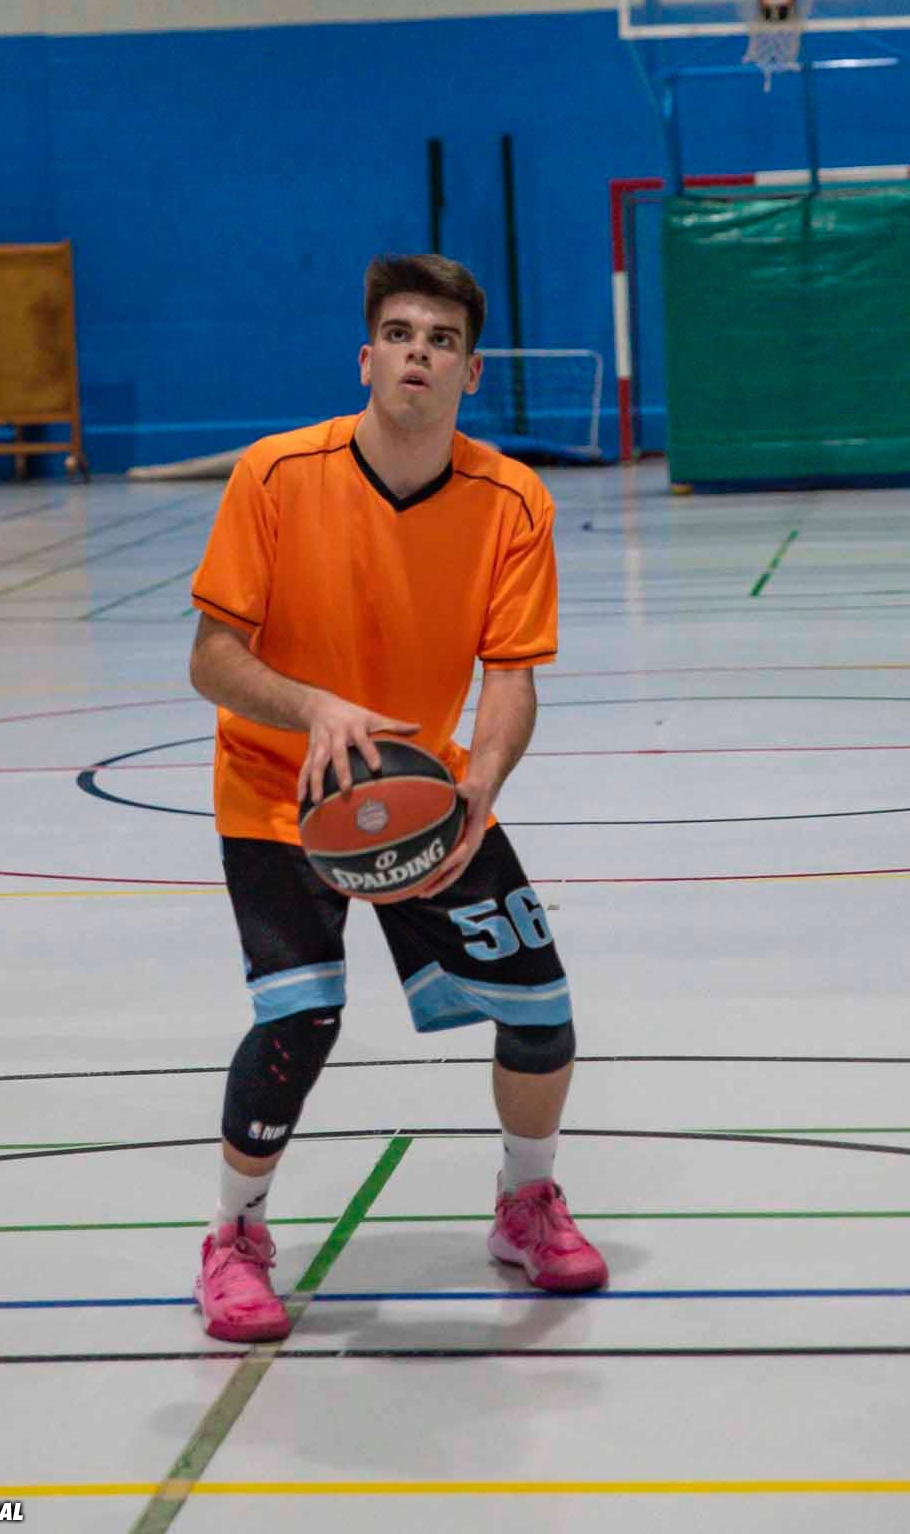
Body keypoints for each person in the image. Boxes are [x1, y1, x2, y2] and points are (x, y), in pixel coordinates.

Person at [187, 252, 608, 1343]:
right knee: (301, 1017)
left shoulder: (513, 499)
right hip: (279, 788)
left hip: (423, 791)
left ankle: (527, 1201)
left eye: (443, 339)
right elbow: (212, 659)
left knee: (542, 1014)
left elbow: (510, 677)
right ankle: (234, 1236)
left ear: (472, 372)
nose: (420, 352)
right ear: (366, 356)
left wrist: (481, 782)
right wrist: (313, 707)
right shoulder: (275, 475)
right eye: (401, 333)